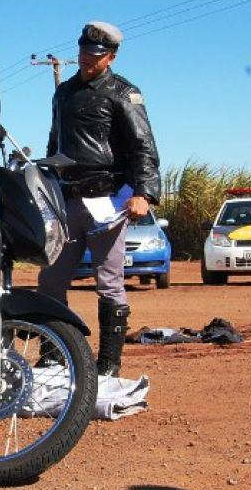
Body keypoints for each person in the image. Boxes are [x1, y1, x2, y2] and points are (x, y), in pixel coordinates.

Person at [38, 21, 161, 377]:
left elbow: (144, 147)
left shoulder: (124, 93)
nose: (86, 60)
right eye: (82, 53)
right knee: (50, 281)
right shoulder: (63, 94)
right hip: (68, 199)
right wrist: (47, 180)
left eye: (94, 55)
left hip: (109, 200)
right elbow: (54, 142)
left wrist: (144, 193)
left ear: (111, 57)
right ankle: (52, 357)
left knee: (108, 282)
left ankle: (107, 365)